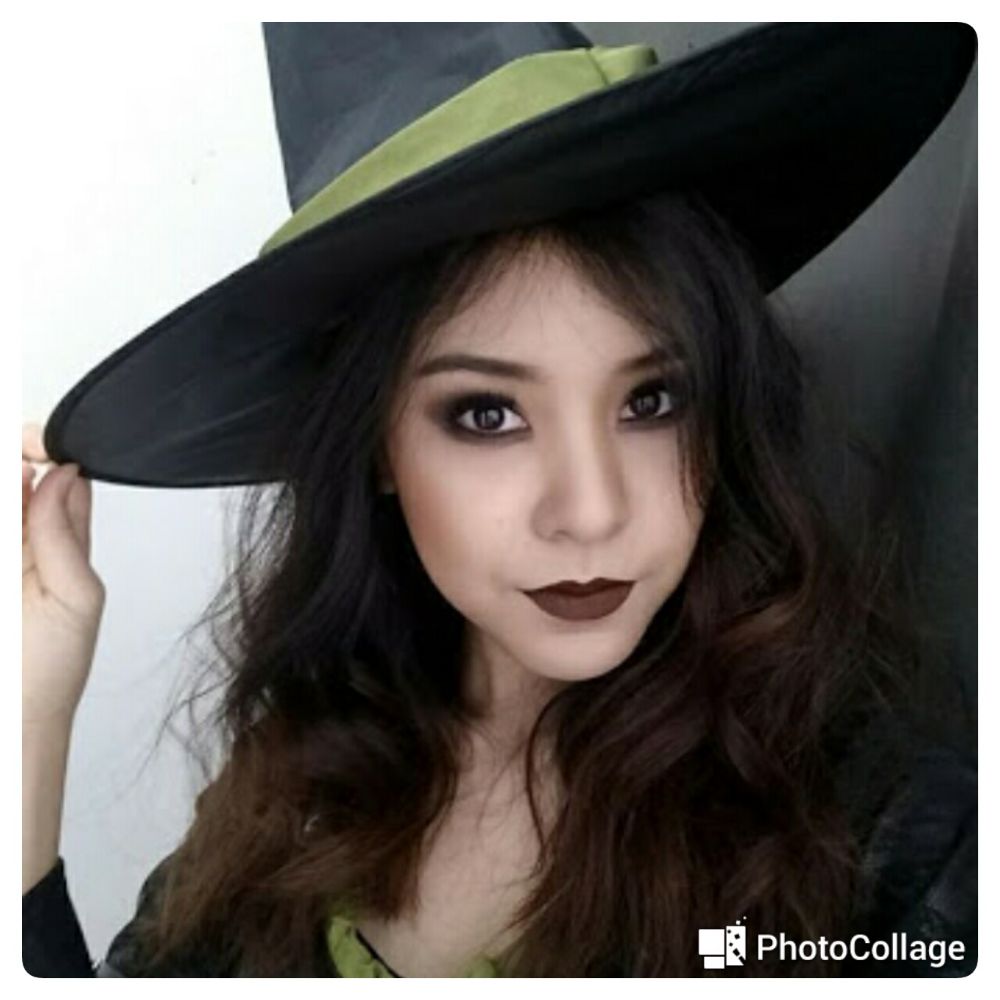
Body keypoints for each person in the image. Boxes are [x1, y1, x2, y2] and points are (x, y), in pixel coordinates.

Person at [23, 24, 976, 977]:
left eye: (653, 401)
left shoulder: (875, 830)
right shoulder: (297, 775)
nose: (591, 512)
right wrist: (28, 722)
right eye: (488, 414)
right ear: (378, 446)